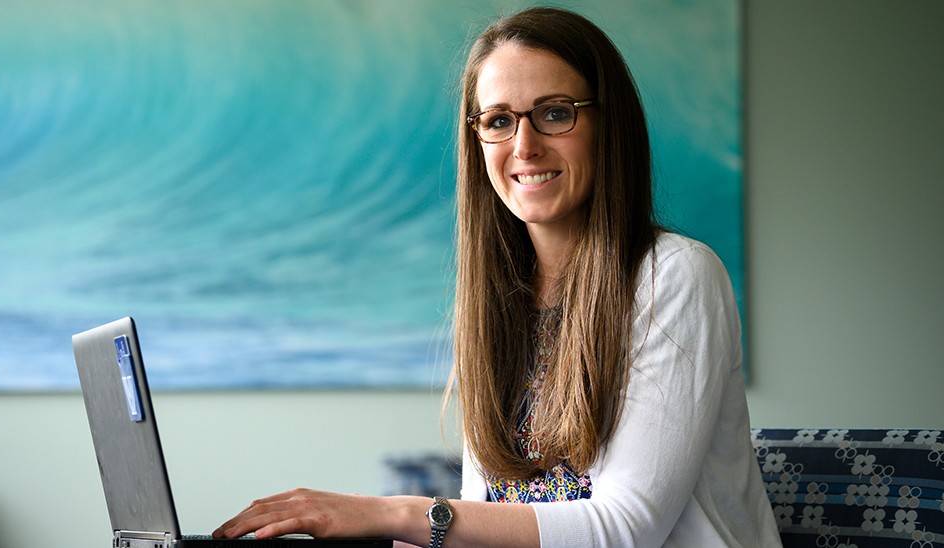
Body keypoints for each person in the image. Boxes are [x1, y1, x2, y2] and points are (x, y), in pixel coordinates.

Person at [214, 7, 781, 547]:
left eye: (556, 112)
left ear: (609, 125)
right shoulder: (497, 300)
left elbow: (624, 530)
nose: (524, 146)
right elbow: (486, 517)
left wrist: (395, 512)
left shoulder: (675, 275)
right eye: (499, 120)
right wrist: (354, 525)